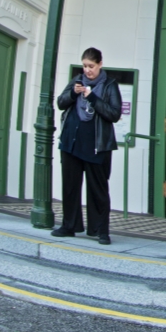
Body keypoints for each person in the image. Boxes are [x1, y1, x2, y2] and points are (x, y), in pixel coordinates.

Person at [51, 48, 122, 244]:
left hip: (96, 146)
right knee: (70, 187)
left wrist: (92, 97)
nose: (87, 70)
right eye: (84, 66)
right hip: (71, 142)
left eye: (91, 66)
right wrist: (73, 94)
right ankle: (69, 226)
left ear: (100, 64)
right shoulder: (76, 81)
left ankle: (101, 230)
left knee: (98, 189)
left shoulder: (109, 85)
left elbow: (114, 114)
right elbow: (60, 103)